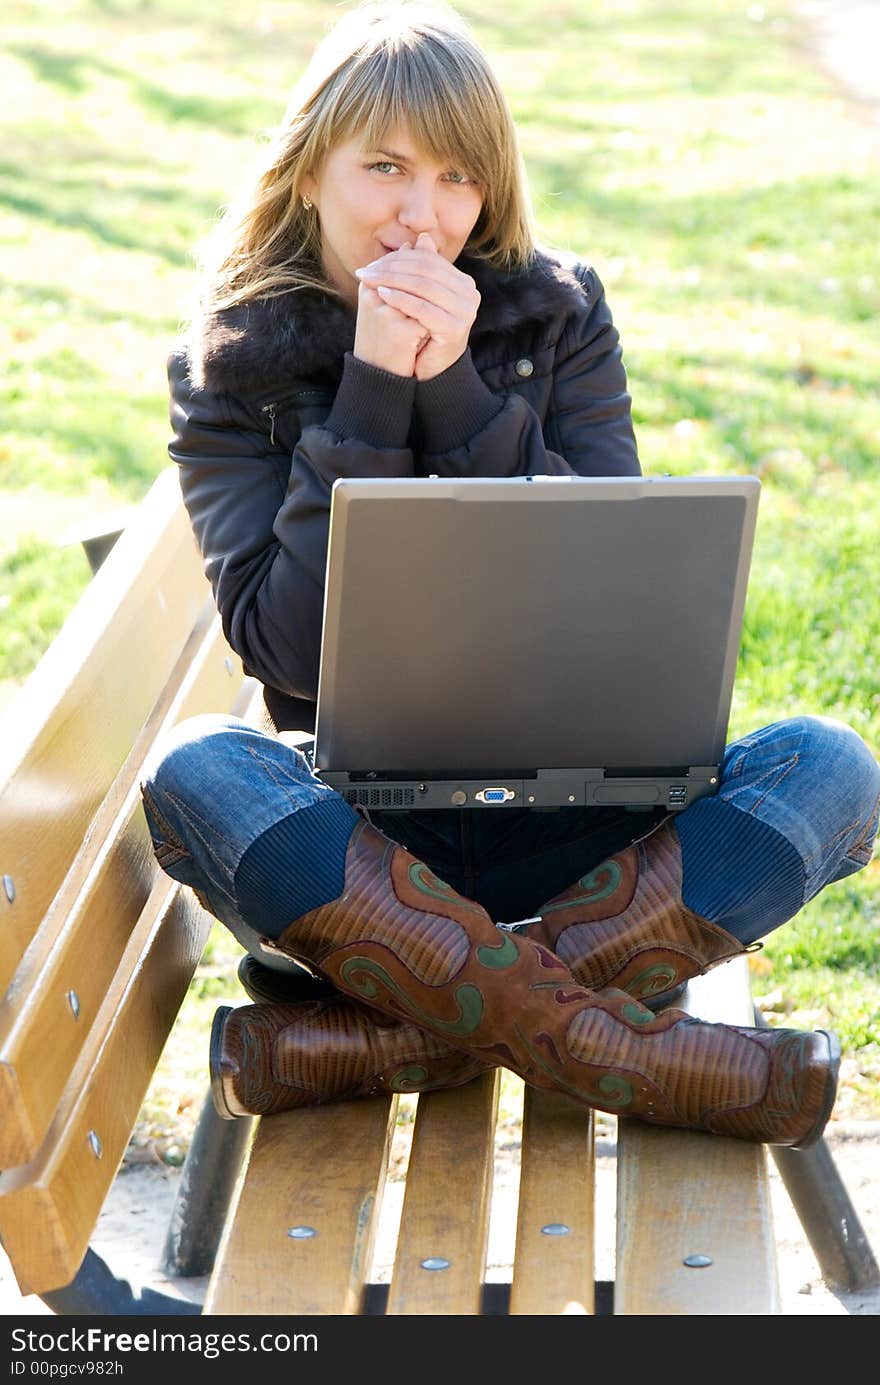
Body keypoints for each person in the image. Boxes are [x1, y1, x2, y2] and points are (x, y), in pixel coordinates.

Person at [141, 0, 880, 1146]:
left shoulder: (560, 316)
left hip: (582, 815)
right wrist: (376, 389)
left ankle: (406, 1032)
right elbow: (282, 649)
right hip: (365, 840)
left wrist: (457, 391)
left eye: (455, 178)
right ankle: (610, 1035)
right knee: (200, 772)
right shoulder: (230, 367)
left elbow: (609, 587)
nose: (421, 214)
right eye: (383, 166)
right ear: (306, 174)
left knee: (829, 767)